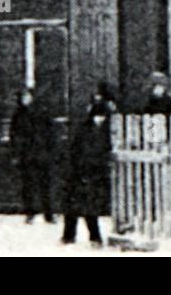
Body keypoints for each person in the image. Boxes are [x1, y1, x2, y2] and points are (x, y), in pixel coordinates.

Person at [61, 94, 114, 248]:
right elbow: (77, 151)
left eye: (102, 117)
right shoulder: (85, 130)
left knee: (88, 209)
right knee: (78, 208)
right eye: (98, 116)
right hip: (81, 173)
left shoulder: (105, 131)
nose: (100, 120)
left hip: (92, 174)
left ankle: (91, 237)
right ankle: (71, 236)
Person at [10, 87, 55, 223]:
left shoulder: (42, 113)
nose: (25, 100)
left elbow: (50, 133)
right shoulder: (18, 115)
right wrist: (16, 153)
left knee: (45, 185)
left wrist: (49, 150)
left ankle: (49, 213)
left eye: (28, 96)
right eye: (23, 97)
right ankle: (30, 212)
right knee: (28, 185)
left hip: (42, 154)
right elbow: (14, 135)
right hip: (26, 154)